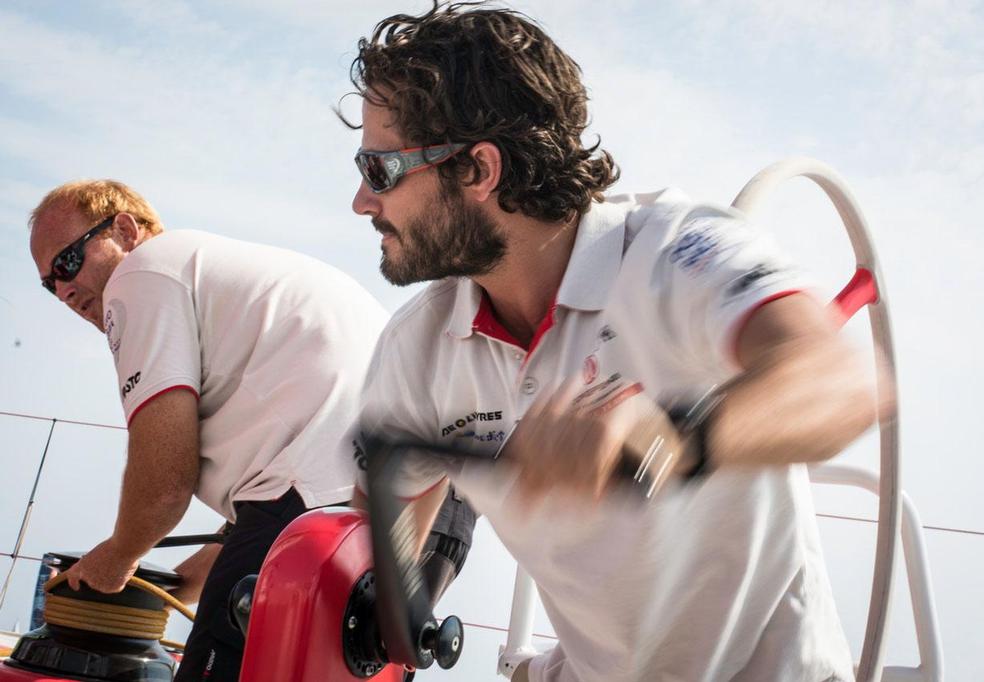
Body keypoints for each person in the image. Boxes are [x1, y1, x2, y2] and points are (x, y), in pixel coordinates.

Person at [344, 4, 892, 682]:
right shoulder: (420, 345)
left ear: (478, 170)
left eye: (380, 169)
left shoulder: (676, 251)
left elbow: (839, 383)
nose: (362, 202)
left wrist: (667, 439)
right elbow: (378, 533)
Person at [27, 180, 474, 681]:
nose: (64, 291)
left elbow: (165, 484)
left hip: (325, 515)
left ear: (126, 231)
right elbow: (272, 495)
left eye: (67, 263)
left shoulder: (142, 273)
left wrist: (117, 557)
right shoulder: (224, 274)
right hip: (435, 514)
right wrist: (172, 587)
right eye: (48, 285)